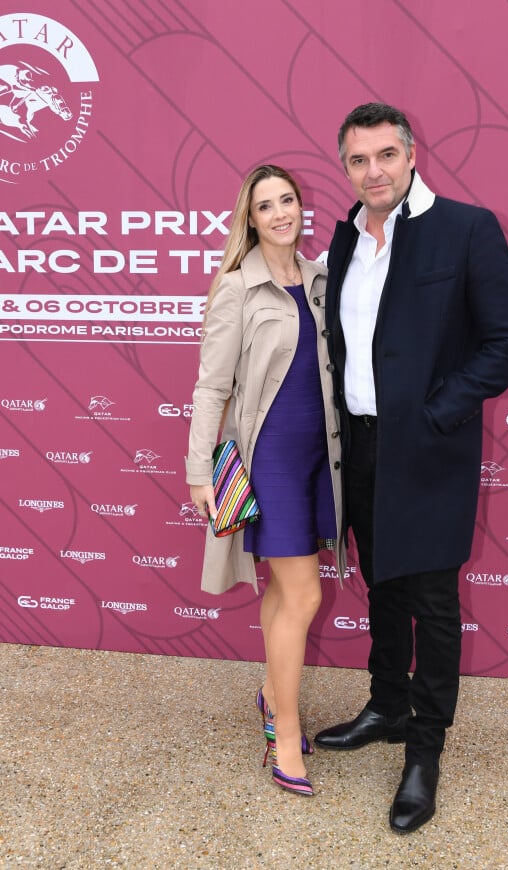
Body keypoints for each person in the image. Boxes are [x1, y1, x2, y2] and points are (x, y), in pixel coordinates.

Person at [314, 103, 508, 832]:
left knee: (433, 601)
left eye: (384, 155)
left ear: (410, 155)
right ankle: (385, 704)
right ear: (345, 166)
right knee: (382, 581)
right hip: (363, 447)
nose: (372, 171)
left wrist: (441, 410)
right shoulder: (343, 238)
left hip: (431, 447)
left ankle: (425, 749)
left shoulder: (466, 228)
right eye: (357, 159)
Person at [185, 164, 345, 797]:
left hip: (322, 455)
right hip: (270, 457)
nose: (281, 213)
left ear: (301, 207)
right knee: (303, 596)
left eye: (288, 200)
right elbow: (210, 385)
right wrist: (200, 469)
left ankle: (269, 692)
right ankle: (284, 730)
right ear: (248, 219)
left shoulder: (320, 280)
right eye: (265, 205)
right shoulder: (237, 288)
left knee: (287, 590)